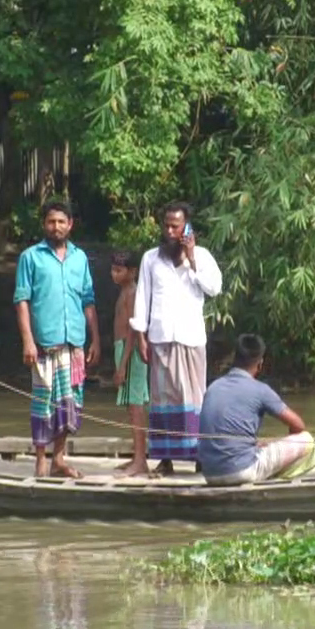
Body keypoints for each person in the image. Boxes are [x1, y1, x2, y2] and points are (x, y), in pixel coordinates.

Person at [132, 203, 222, 475]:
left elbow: (214, 288)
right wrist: (141, 336)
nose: (170, 231)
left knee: (195, 398)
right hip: (160, 338)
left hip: (190, 338)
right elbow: (142, 298)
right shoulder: (150, 258)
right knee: (162, 401)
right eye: (167, 226)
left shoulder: (202, 256)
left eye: (176, 226)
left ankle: (199, 456)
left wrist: (192, 259)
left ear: (187, 228)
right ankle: (165, 459)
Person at [14, 200, 100, 479]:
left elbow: (88, 300)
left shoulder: (80, 258)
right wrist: (27, 340)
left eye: (61, 221)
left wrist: (95, 339)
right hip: (44, 343)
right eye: (51, 221)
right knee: (43, 402)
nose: (56, 227)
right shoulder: (30, 257)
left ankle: (58, 459)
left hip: (74, 344)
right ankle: (41, 459)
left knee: (69, 403)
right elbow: (22, 300)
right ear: (44, 224)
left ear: (70, 224)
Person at [196, 333, 315, 486]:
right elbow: (298, 425)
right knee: (306, 439)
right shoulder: (261, 390)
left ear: (235, 358)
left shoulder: (213, 387)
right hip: (241, 471)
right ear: (260, 364)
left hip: (210, 474)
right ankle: (283, 479)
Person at [108, 251, 151, 478]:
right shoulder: (124, 292)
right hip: (122, 348)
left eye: (119, 270)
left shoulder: (133, 293)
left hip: (130, 351)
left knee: (136, 405)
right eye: (113, 269)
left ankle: (141, 460)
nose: (114, 274)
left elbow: (134, 330)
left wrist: (123, 364)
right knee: (131, 406)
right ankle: (137, 456)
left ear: (132, 272)